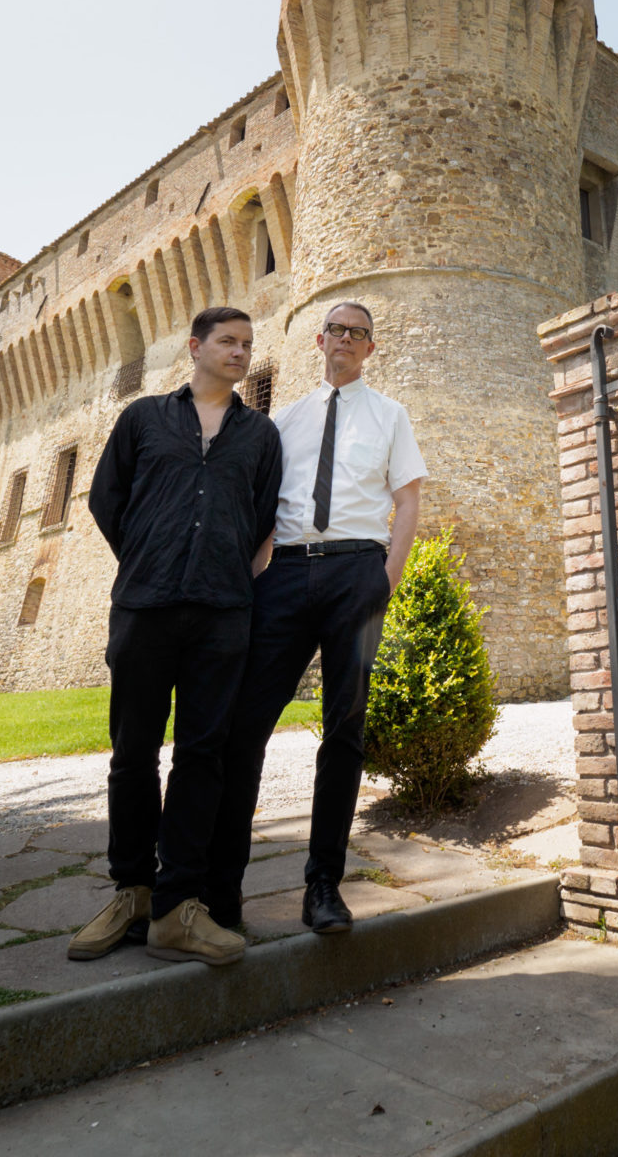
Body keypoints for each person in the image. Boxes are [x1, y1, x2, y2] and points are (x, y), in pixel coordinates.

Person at [68, 306, 282, 967]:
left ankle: (177, 907)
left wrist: (224, 570)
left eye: (248, 344)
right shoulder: (142, 420)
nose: (240, 352)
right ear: (195, 346)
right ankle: (129, 891)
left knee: (202, 757)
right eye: (228, 341)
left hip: (222, 616)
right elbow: (108, 500)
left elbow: (265, 518)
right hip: (144, 607)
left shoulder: (261, 436)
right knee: (132, 754)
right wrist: (150, 559)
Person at [205, 300, 425, 935]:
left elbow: (407, 499)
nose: (347, 341)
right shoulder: (286, 421)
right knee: (245, 727)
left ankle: (323, 885)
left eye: (360, 334)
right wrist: (252, 579)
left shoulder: (390, 415)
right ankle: (223, 891)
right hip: (288, 574)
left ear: (370, 349)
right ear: (320, 339)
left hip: (357, 571)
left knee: (344, 732)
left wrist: (387, 578)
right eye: (338, 331)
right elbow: (264, 507)